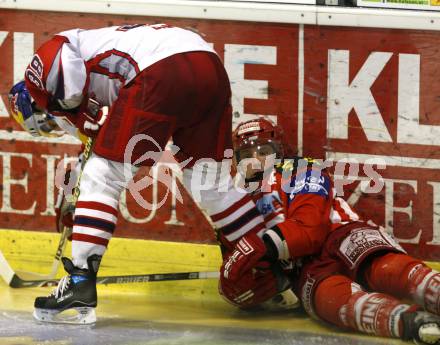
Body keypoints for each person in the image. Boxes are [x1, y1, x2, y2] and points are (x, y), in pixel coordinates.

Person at [8, 24, 269, 324]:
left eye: (49, 118)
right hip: (208, 66)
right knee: (210, 184)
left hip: (159, 69)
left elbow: (68, 78)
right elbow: (99, 135)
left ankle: (80, 279)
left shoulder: (48, 65)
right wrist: (78, 201)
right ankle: (265, 261)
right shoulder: (99, 60)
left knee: (102, 177)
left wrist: (75, 114)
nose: (55, 123)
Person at [219, 118, 440, 345]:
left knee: (386, 269)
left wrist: (260, 248)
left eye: (263, 151)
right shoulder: (235, 203)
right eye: (246, 156)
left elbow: (310, 230)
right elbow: (239, 275)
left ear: (279, 151)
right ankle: (410, 322)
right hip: (306, 269)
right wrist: (237, 284)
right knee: (331, 300)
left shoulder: (302, 168)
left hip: (341, 234)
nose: (255, 162)